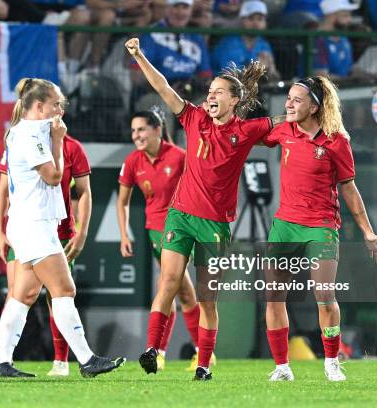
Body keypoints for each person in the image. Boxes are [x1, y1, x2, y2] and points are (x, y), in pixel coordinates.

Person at [126, 37, 278, 381]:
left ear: (235, 100)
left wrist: (312, 116)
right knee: (167, 281)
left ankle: (204, 364)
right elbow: (162, 86)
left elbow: (286, 126)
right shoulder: (194, 119)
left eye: (219, 91)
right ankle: (152, 349)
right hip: (180, 215)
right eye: (210, 90)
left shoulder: (247, 130)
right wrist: (139, 56)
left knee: (207, 300)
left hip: (215, 225)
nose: (211, 95)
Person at [0, 77, 123, 378]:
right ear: (38, 106)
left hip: (27, 223)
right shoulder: (31, 136)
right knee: (64, 288)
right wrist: (59, 141)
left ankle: (1, 362)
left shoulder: (22, 132)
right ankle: (87, 360)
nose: (61, 109)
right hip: (35, 225)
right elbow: (52, 176)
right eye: (56, 104)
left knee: (23, 295)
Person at [262, 76, 377, 382]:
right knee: (274, 297)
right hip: (284, 226)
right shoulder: (283, 130)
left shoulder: (336, 141)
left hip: (320, 226)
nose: (289, 103)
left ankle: (332, 361)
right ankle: (282, 367)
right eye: (288, 98)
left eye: (297, 100)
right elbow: (247, 134)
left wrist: (368, 232)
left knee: (325, 296)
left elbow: (350, 189)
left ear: (315, 106)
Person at [117, 109, 209, 372]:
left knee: (175, 288)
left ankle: (160, 351)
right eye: (133, 131)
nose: (136, 135)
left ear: (157, 130)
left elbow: (198, 187)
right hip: (156, 230)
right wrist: (124, 234)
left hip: (182, 227)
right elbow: (122, 201)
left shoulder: (179, 156)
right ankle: (183, 352)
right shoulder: (133, 161)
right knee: (178, 289)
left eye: (142, 129)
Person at [210, 1, 280, 81]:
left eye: (260, 19)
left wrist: (271, 71)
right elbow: (230, 79)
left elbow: (274, 79)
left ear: (265, 23)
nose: (256, 23)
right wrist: (254, 69)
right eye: (251, 18)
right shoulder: (228, 44)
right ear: (241, 20)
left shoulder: (264, 45)